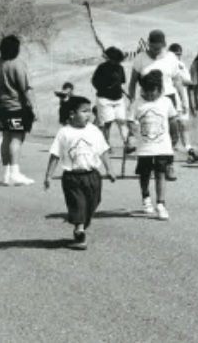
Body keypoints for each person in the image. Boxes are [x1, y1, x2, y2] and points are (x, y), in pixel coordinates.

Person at [43, 96, 116, 249]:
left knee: (93, 203)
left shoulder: (94, 130)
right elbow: (55, 154)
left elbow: (103, 150)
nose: (88, 115)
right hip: (72, 177)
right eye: (84, 111)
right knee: (78, 204)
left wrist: (109, 169)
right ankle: (79, 230)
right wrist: (48, 175)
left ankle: (82, 223)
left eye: (90, 111)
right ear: (72, 114)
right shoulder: (64, 132)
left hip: (93, 175)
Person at [126, 30, 186, 180]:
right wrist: (132, 100)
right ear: (148, 43)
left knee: (171, 133)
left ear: (164, 45)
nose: (154, 51)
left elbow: (177, 80)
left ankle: (169, 165)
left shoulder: (171, 58)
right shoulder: (140, 58)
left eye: (158, 48)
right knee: (148, 132)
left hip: (167, 97)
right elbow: (133, 81)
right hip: (146, 98)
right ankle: (146, 163)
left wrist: (183, 99)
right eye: (152, 47)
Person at [0, 34, 36, 186]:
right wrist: (32, 107)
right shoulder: (17, 64)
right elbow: (25, 88)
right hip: (16, 107)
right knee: (16, 139)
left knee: (6, 137)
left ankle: (7, 173)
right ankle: (15, 173)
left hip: (0, 106)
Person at [131, 70, 176, 220]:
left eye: (153, 91)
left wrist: (174, 139)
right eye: (146, 91)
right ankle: (146, 198)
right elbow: (131, 121)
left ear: (160, 89)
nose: (150, 94)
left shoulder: (166, 102)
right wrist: (130, 134)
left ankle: (161, 204)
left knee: (160, 174)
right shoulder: (137, 103)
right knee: (144, 174)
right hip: (144, 147)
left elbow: (173, 120)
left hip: (162, 146)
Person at [91, 46, 133, 156]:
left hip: (118, 99)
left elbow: (122, 81)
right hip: (104, 99)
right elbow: (94, 81)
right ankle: (106, 145)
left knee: (122, 121)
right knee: (107, 123)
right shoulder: (101, 68)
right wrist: (105, 88)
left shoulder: (120, 68)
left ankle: (127, 144)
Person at [168, 42, 198, 164]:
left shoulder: (182, 65)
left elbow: (185, 80)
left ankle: (189, 149)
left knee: (184, 125)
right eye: (175, 54)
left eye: (179, 54)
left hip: (182, 100)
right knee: (172, 127)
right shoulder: (166, 65)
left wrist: (191, 83)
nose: (177, 56)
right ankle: (169, 152)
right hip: (171, 100)